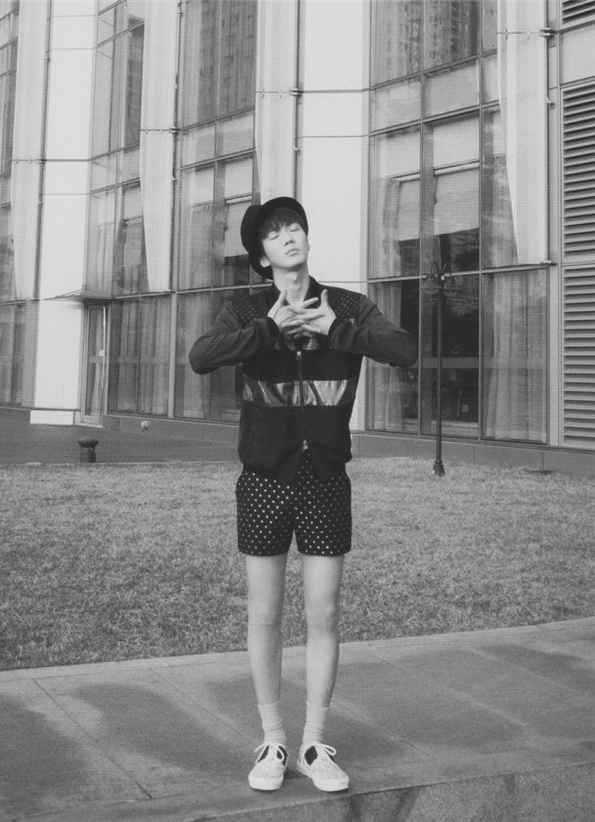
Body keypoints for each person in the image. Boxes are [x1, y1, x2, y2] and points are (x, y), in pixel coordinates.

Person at [189, 196, 417, 793]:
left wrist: (333, 330)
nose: (288, 236)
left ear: (307, 238)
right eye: (274, 233)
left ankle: (314, 742)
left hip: (325, 479)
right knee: (264, 613)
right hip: (265, 476)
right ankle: (273, 740)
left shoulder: (348, 306)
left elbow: (404, 349)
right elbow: (200, 357)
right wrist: (269, 330)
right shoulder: (245, 309)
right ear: (262, 257)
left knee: (326, 612)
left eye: (294, 226)